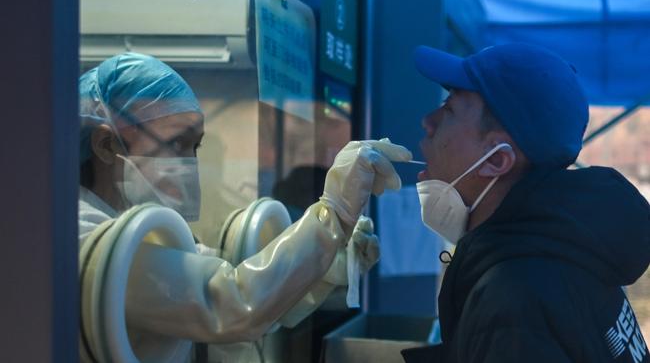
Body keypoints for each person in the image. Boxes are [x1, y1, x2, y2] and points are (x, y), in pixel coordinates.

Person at [78, 52, 410, 360]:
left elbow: (259, 297)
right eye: (176, 143)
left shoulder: (132, 231)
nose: (190, 164)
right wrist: (333, 214)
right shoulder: (84, 235)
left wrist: (329, 267)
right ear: (107, 144)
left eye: (195, 146)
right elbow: (232, 304)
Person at [401, 43, 650, 362]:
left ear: (496, 160)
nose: (428, 122)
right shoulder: (565, 251)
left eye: (449, 109)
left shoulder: (514, 301)